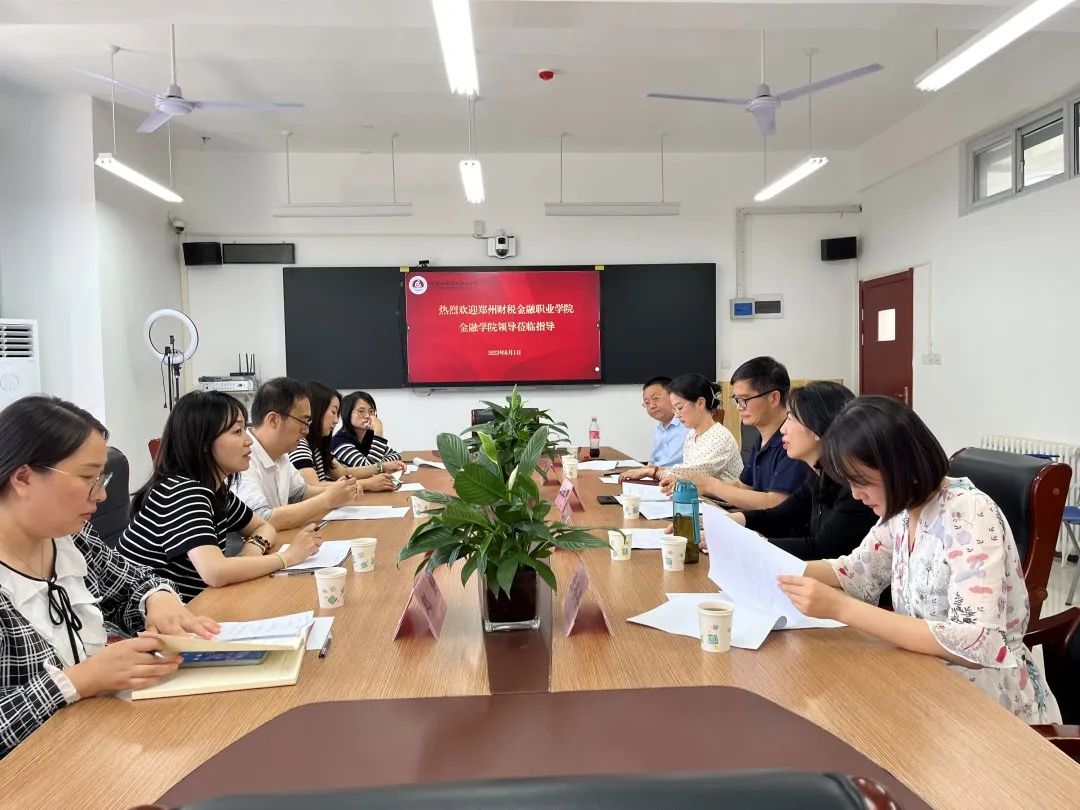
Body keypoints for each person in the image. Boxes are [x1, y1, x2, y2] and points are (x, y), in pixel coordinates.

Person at [778, 396, 1060, 724]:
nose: (855, 494)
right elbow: (857, 570)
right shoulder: (902, 511)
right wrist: (772, 565)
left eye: (862, 481)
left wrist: (841, 608)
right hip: (922, 680)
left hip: (987, 706)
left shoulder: (968, 514)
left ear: (899, 467)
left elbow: (977, 642)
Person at [0, 396, 219, 758]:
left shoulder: (71, 538)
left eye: (102, 478)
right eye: (88, 478)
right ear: (23, 477)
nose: (101, 495)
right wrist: (78, 680)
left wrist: (158, 600)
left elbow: (132, 582)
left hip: (100, 743)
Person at [119, 391, 323, 601]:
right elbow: (215, 572)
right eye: (237, 431)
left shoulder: (215, 490)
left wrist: (251, 552)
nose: (248, 441)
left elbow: (264, 526)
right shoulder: (182, 492)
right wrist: (287, 557)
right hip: (148, 615)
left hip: (195, 604)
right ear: (203, 443)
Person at [731, 382, 876, 560]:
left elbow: (821, 549)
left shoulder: (855, 488)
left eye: (791, 419)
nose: (783, 429)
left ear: (817, 428)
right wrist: (736, 520)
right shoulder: (817, 475)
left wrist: (750, 546)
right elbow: (780, 515)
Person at [233, 378, 365, 531]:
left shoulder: (280, 454)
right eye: (303, 422)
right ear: (273, 420)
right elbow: (259, 519)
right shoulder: (243, 459)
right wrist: (327, 499)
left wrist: (340, 490)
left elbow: (300, 493)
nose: (306, 430)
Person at [691, 357, 809, 510]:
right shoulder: (760, 438)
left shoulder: (793, 441)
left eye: (744, 399)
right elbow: (744, 487)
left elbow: (776, 502)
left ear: (774, 398)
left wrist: (712, 486)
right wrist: (699, 485)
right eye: (736, 400)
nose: (739, 407)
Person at [621, 374, 742, 484]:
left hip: (720, 500)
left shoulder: (719, 437)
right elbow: (685, 473)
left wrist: (652, 472)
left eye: (680, 408)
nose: (677, 415)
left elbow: (693, 474)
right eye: (674, 409)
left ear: (700, 403)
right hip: (698, 495)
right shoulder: (693, 434)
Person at [288, 382, 404, 490]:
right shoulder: (300, 445)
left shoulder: (318, 445)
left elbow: (343, 472)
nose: (336, 420)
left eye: (371, 411)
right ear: (316, 411)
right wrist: (366, 484)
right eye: (333, 412)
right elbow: (313, 486)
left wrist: (382, 467)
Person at [331, 391, 402, 469]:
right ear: (347, 414)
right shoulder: (339, 442)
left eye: (371, 411)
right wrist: (378, 432)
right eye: (361, 411)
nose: (367, 416)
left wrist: (381, 465)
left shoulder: (368, 436)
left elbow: (396, 456)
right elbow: (369, 468)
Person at [641, 376, 689, 467]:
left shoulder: (688, 423)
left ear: (674, 396)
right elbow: (653, 461)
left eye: (656, 398)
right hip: (656, 473)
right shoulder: (658, 428)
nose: (651, 406)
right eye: (647, 402)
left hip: (678, 474)